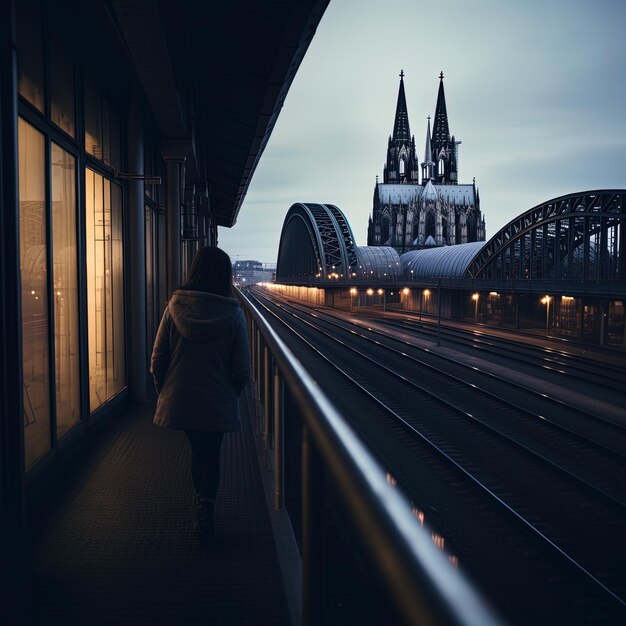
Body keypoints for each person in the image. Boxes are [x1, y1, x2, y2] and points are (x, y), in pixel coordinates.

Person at [150, 246, 250, 547]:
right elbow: (242, 369)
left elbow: (157, 361)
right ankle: (207, 510)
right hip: (216, 401)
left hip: (183, 398)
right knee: (212, 455)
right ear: (225, 276)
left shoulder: (174, 308)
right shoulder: (233, 316)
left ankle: (200, 506)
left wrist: (166, 392)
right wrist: (230, 394)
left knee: (198, 452)